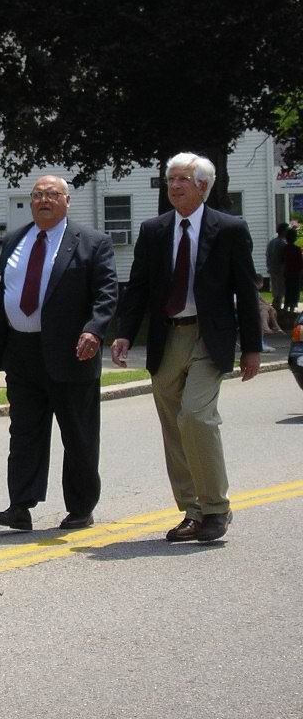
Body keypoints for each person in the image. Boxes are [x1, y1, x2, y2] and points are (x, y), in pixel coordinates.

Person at [111, 152, 261, 544]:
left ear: (203, 186)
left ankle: (215, 508)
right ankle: (192, 511)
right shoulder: (154, 230)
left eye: (183, 179)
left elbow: (246, 290)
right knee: (174, 425)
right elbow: (139, 287)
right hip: (167, 337)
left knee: (195, 415)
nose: (174, 186)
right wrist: (125, 333)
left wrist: (252, 347)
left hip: (209, 337)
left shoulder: (228, 228)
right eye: (170, 179)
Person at [0, 175, 117, 531]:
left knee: (78, 434)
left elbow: (106, 294)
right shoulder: (16, 239)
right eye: (38, 195)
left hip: (72, 352)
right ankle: (19, 506)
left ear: (67, 200)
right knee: (24, 432)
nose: (44, 200)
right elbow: (6, 286)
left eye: (52, 194)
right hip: (21, 352)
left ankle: (80, 507)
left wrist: (94, 329)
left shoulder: (92, 242)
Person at [256, 274, 282, 352]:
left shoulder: (256, 292)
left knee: (269, 310)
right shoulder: (249, 291)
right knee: (264, 310)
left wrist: (270, 307)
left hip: (257, 309)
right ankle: (268, 327)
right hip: (249, 311)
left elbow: (264, 301)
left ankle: (274, 326)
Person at [266, 222, 288, 312]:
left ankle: (275, 307)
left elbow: (267, 255)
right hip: (280, 270)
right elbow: (284, 258)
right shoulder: (282, 244)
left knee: (275, 289)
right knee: (280, 290)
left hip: (272, 268)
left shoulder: (271, 242)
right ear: (283, 231)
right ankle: (277, 308)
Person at [283, 227, 302, 314]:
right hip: (295, 273)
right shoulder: (297, 249)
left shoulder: (284, 249)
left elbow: (282, 260)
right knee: (294, 292)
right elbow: (300, 263)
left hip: (287, 273)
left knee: (288, 291)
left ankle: (286, 309)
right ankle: (291, 310)